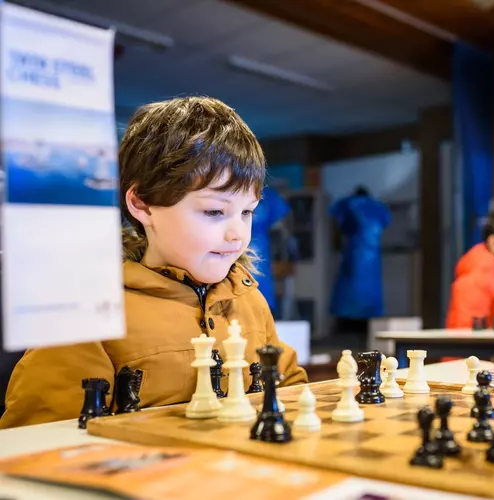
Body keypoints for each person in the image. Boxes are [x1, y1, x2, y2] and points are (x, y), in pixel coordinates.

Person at [0, 97, 308, 429]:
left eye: (247, 212)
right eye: (215, 211)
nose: (237, 235)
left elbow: (292, 392)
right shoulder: (87, 312)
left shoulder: (248, 299)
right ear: (143, 204)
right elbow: (37, 442)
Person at [329, 186, 391, 337]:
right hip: (373, 258)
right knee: (369, 295)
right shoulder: (378, 208)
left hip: (354, 254)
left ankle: (346, 330)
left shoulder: (349, 204)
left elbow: (337, 220)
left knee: (348, 295)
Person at [247, 185, 290, 315]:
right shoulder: (232, 188)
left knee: (260, 288)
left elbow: (285, 221)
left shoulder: (268, 194)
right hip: (235, 245)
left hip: (260, 247)